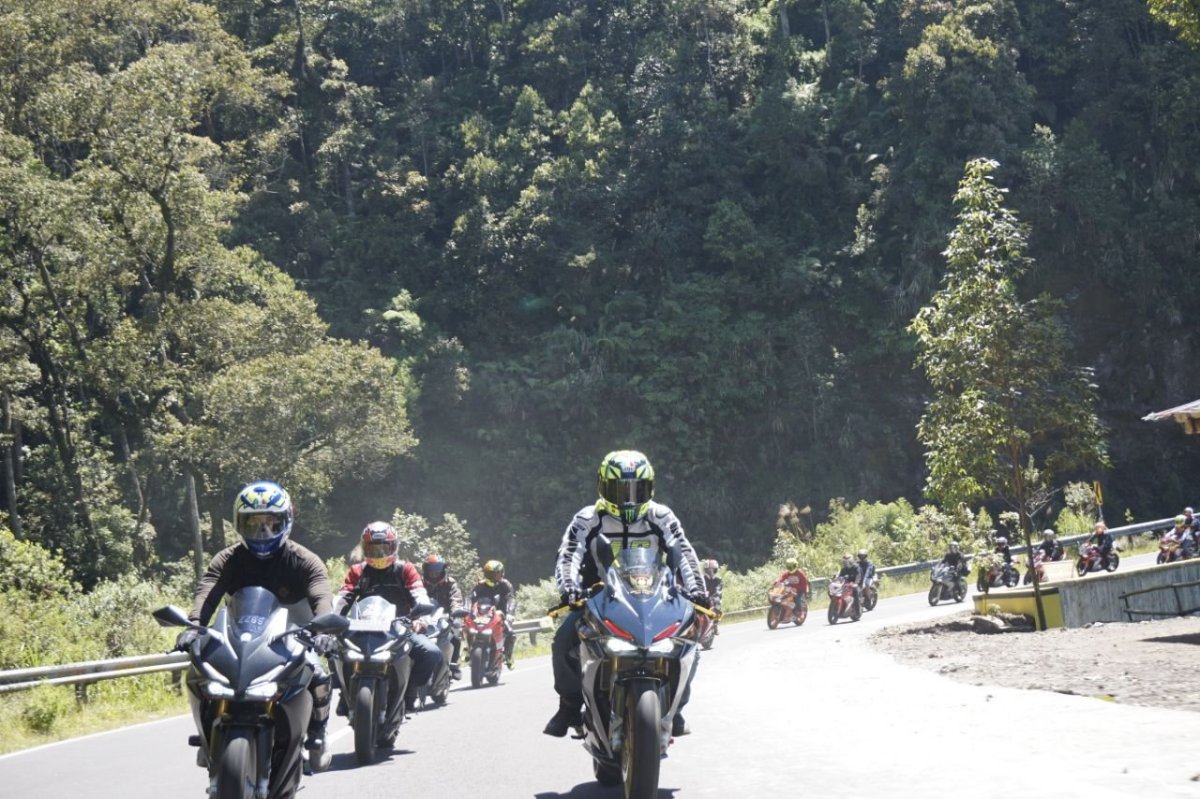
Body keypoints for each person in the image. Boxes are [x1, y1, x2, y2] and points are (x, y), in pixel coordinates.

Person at [544, 450, 708, 739]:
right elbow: (569, 554)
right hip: (599, 596)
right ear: (602, 487)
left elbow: (684, 552)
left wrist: (697, 590)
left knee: (688, 640)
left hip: (655, 596)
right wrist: (568, 587)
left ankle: (676, 707)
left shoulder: (661, 515)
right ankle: (569, 706)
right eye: (620, 490)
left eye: (637, 489)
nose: (629, 499)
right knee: (563, 641)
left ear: (650, 488)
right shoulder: (587, 518)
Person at [183, 481, 335, 770]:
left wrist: (324, 630)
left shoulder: (305, 561)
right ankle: (207, 737)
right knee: (199, 672)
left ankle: (318, 733)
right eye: (253, 523)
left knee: (318, 674)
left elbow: (321, 595)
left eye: (271, 523)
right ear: (239, 524)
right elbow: (207, 592)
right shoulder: (227, 559)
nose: (262, 532)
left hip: (294, 634)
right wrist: (193, 625)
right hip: (240, 634)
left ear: (286, 521)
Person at [334, 522, 443, 714]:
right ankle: (346, 694)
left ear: (394, 547)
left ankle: (410, 692)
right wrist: (333, 619)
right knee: (334, 651)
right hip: (362, 627)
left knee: (431, 653)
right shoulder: (357, 571)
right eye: (373, 549)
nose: (379, 554)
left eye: (384, 548)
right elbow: (344, 596)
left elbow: (419, 593)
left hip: (399, 627)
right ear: (365, 549)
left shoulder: (405, 569)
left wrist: (421, 618)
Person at [423, 554, 464, 679]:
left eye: (437, 569)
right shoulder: (420, 583)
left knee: (455, 636)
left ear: (443, 570)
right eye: (431, 570)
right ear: (426, 570)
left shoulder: (450, 583)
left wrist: (455, 611)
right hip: (425, 618)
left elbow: (456, 599)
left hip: (446, 618)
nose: (434, 573)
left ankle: (453, 664)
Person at [470, 559, 517, 669]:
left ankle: (508, 656)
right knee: (468, 628)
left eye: (497, 573)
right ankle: (468, 650)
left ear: (502, 573)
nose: (494, 576)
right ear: (486, 574)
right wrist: (469, 611)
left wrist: (509, 613)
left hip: (501, 614)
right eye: (491, 574)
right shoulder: (480, 585)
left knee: (511, 633)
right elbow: (472, 598)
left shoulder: (505, 585)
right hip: (482, 614)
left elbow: (511, 599)